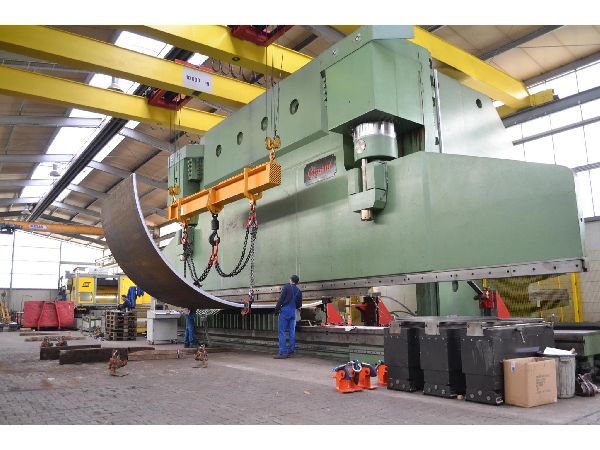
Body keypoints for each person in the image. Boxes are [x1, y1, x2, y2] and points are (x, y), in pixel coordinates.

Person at [274, 275, 302, 359]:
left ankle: (282, 352)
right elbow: (299, 304)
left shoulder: (286, 287)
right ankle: (291, 351)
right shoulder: (299, 291)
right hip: (293, 312)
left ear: (291, 280)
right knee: (292, 332)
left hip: (285, 311)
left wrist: (276, 310)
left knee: (282, 332)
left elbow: (281, 299)